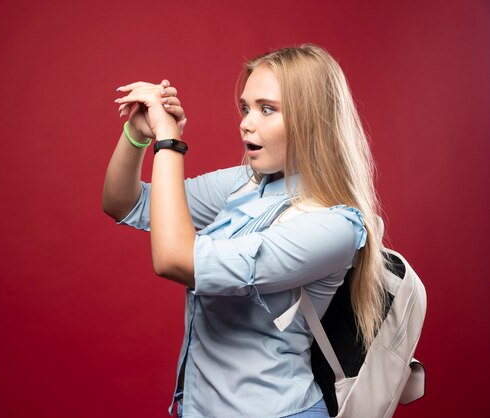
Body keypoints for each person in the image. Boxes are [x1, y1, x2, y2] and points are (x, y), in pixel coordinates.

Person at [102, 44, 387, 418]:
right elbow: (125, 203)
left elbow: (174, 260)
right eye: (246, 108)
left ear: (312, 119)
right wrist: (139, 134)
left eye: (267, 109)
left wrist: (169, 142)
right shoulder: (244, 184)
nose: (246, 122)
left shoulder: (333, 226)